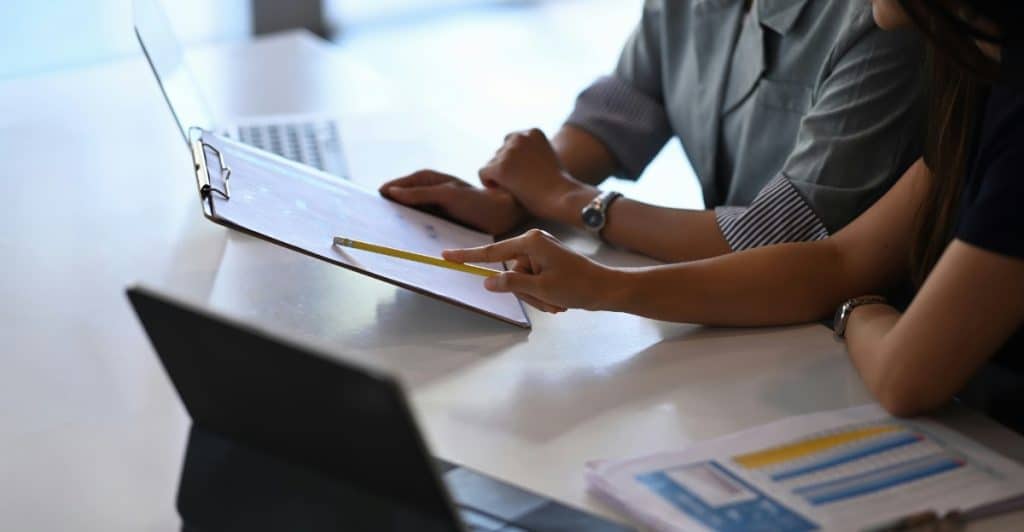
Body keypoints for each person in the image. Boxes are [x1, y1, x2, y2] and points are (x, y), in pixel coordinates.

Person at [442, 0, 1024, 422]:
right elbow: (840, 261)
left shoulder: (900, 34)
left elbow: (898, 365)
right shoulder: (974, 85)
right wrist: (525, 207)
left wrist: (859, 305)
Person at [381, 0, 925, 263]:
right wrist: (512, 198)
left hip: (847, 330)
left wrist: (567, 198)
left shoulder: (885, 18)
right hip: (735, 316)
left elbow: (775, 237)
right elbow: (622, 108)